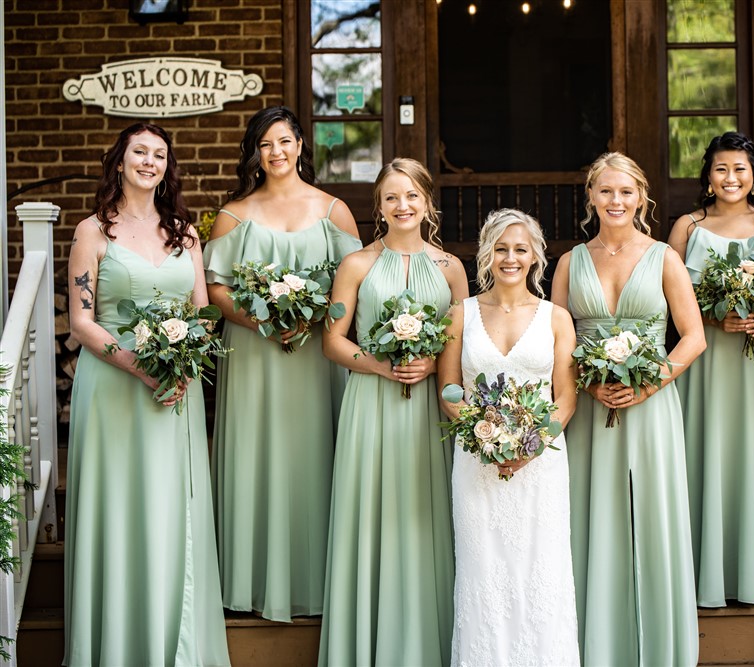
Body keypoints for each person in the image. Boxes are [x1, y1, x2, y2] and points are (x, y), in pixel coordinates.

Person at [64, 123, 230, 665]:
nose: (149, 162)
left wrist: (184, 361)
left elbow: (202, 313)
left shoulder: (185, 232)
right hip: (114, 386)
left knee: (169, 510)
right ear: (120, 161)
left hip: (174, 389)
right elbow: (83, 322)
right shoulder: (93, 232)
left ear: (167, 168)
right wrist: (140, 368)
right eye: (140, 151)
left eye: (160, 155)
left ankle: (174, 642)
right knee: (120, 508)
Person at [203, 106, 361, 621]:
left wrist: (315, 315)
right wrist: (261, 321)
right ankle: (249, 583)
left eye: (284, 141)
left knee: (313, 453)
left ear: (300, 147)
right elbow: (215, 289)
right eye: (265, 143)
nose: (276, 152)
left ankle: (318, 581)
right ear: (255, 152)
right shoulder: (234, 214)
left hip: (315, 357)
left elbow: (355, 285)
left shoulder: (333, 211)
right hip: (254, 356)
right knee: (256, 453)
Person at [551, 152, 705, 666]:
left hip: (652, 405)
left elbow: (693, 339)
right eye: (606, 191)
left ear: (641, 197)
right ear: (590, 197)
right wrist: (588, 385)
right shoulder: (571, 262)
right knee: (588, 515)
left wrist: (647, 386)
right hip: (589, 410)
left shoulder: (664, 257)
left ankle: (657, 643)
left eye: (626, 192)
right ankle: (593, 641)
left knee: (652, 518)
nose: (616, 201)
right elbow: (554, 339)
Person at [318, 157, 468, 666]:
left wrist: (435, 367)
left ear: (427, 202)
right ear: (379, 208)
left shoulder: (451, 268)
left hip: (429, 411)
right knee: (373, 515)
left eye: (411, 196)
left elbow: (463, 343)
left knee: (425, 516)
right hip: (371, 405)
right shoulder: (356, 264)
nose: (402, 206)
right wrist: (381, 366)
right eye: (391, 198)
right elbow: (332, 342)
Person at [438, 208, 580, 666]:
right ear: (487, 253)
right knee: (484, 576)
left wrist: (528, 447)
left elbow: (566, 399)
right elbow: (448, 390)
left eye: (520, 249)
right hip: (476, 464)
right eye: (501, 248)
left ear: (536, 256)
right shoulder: (461, 315)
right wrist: (486, 442)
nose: (510, 257)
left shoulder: (556, 317)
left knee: (541, 574)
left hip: (542, 469)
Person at [666, 131, 754, 608]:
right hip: (710, 360)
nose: (730, 177)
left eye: (740, 169)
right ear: (708, 176)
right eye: (721, 168)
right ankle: (706, 574)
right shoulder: (687, 227)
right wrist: (712, 316)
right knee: (709, 450)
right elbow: (668, 299)